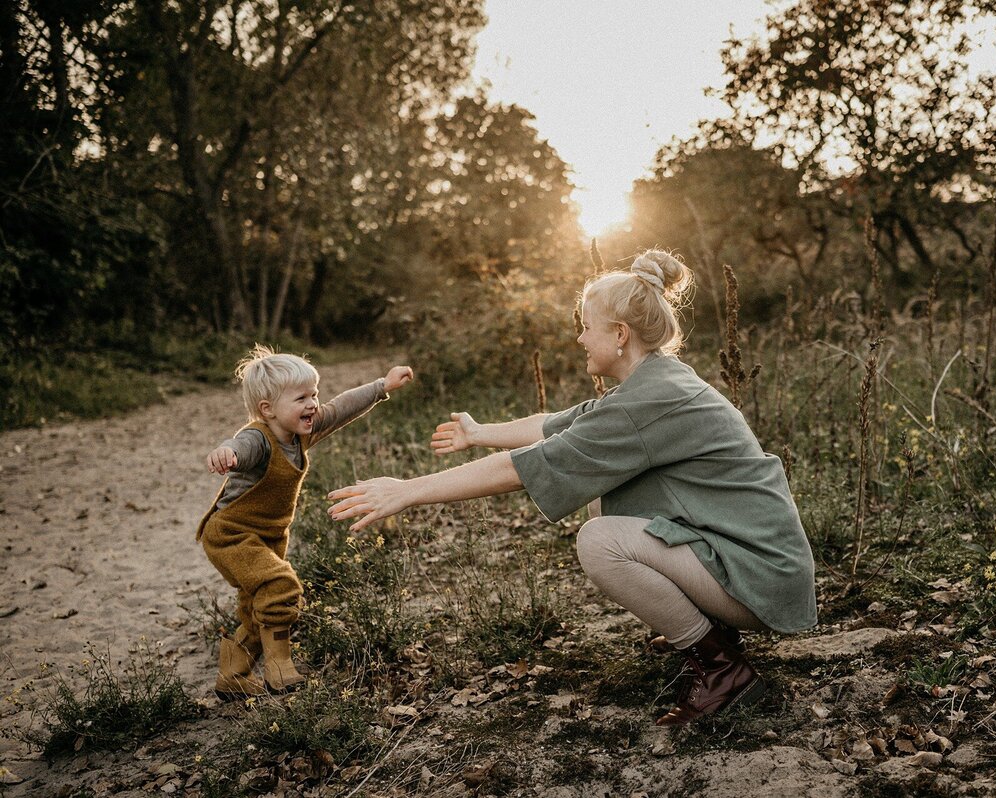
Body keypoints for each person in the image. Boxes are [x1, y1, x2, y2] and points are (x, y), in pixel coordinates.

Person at [327, 250, 816, 726]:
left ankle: (723, 669)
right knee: (604, 513)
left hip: (761, 579)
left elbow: (525, 467)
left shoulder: (645, 401)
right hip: (755, 564)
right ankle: (714, 633)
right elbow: (555, 426)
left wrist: (408, 490)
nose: (580, 338)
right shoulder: (653, 384)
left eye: (586, 326)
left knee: (600, 540)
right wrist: (478, 433)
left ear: (620, 334)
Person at [198, 345, 414, 700]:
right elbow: (239, 446)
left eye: (314, 394)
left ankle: (232, 677)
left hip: (266, 535)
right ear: (268, 409)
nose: (313, 404)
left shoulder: (301, 434)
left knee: (258, 607)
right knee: (280, 584)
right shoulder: (258, 439)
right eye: (301, 398)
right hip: (230, 534)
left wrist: (382, 386)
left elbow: (341, 407)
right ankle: (279, 671)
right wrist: (228, 454)